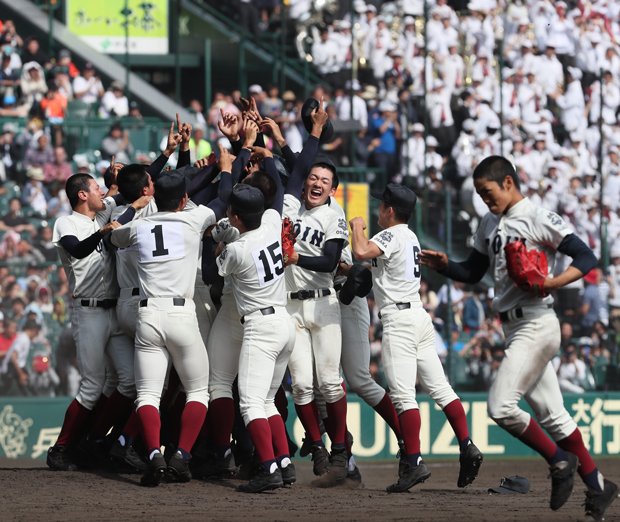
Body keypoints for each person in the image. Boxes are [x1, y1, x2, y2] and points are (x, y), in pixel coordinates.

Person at [420, 155, 618, 520]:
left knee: (500, 407)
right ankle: (598, 486)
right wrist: (447, 266)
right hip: (514, 328)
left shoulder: (538, 217)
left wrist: (552, 282)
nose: (484, 198)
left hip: (538, 324)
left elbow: (586, 256)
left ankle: (560, 463)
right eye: (479, 193)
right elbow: (474, 269)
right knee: (554, 416)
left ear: (508, 182)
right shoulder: (488, 221)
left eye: (488, 191)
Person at [350, 183, 482, 492]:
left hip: (399, 321)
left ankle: (413, 462)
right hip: (419, 317)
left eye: (382, 205)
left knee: (404, 396)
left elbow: (360, 250)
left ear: (390, 210)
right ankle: (467, 444)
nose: (378, 209)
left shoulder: (392, 233)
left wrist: (356, 226)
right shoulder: (409, 236)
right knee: (441, 389)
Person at [111, 168, 227, 487]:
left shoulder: (138, 226)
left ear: (154, 197)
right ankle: (182, 456)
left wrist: (134, 207)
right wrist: (228, 166)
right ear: (184, 199)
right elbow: (223, 198)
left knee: (147, 395)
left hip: (147, 314)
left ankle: (153, 455)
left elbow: (113, 232)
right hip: (181, 314)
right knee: (199, 391)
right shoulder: (194, 218)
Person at [46, 173, 147, 471]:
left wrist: (168, 153)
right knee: (92, 384)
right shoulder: (67, 222)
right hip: (87, 310)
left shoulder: (99, 215)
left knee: (128, 381)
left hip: (114, 310)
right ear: (81, 195)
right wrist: (104, 231)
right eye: (95, 188)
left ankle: (91, 441)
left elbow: (123, 197)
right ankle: (62, 448)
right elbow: (77, 250)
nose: (101, 192)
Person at [216, 169, 296, 493]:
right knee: (267, 402)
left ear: (235, 215)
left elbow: (220, 260)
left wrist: (221, 233)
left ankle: (268, 469)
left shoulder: (236, 249)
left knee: (250, 404)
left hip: (260, 326)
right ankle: (284, 463)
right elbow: (276, 196)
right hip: (284, 322)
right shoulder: (272, 222)